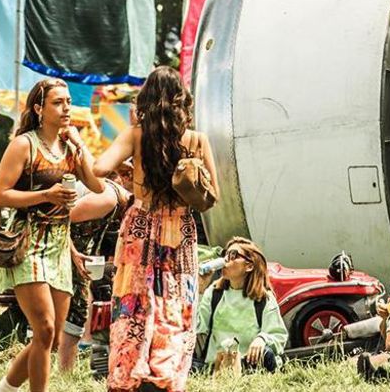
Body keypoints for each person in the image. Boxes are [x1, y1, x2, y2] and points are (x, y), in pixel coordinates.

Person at [96, 66, 217, 392]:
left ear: (146, 97)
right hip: (180, 232)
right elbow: (212, 197)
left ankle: (130, 376)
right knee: (175, 305)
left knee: (135, 305)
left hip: (141, 229)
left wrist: (128, 168)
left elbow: (99, 168)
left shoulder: (135, 135)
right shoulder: (197, 141)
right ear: (182, 100)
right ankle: (164, 377)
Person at [0, 79, 105, 392]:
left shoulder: (70, 148)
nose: (66, 107)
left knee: (48, 339)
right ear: (39, 108)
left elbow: (98, 186)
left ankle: (3, 390)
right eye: (58, 102)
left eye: (68, 101)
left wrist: (80, 144)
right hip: (28, 243)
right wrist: (46, 195)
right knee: (45, 328)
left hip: (58, 246)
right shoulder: (24, 144)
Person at [57, 166, 133, 375]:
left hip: (74, 252)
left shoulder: (117, 204)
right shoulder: (108, 199)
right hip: (59, 248)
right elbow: (59, 219)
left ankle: (65, 370)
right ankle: (64, 373)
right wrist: (74, 254)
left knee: (75, 309)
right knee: (77, 309)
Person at [194, 238, 288, 374]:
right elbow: (195, 328)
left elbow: (279, 336)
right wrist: (200, 290)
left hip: (248, 364)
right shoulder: (214, 293)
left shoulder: (263, 299)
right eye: (225, 254)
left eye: (233, 255)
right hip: (217, 365)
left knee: (267, 353)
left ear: (249, 266)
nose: (226, 260)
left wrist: (262, 338)